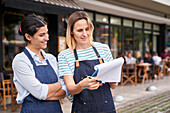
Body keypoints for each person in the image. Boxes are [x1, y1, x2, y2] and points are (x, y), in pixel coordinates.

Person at [58, 11, 117, 113]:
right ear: (71, 31)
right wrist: (82, 85)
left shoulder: (104, 49)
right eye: (80, 30)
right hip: (81, 109)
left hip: (106, 108)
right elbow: (71, 89)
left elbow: (113, 86)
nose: (85, 34)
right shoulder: (64, 56)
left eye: (87, 29)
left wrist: (113, 81)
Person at [12, 14, 67, 113]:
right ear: (28, 36)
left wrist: (45, 93)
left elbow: (65, 90)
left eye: (47, 33)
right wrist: (59, 84)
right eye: (41, 35)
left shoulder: (51, 59)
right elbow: (40, 92)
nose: (47, 38)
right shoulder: (20, 60)